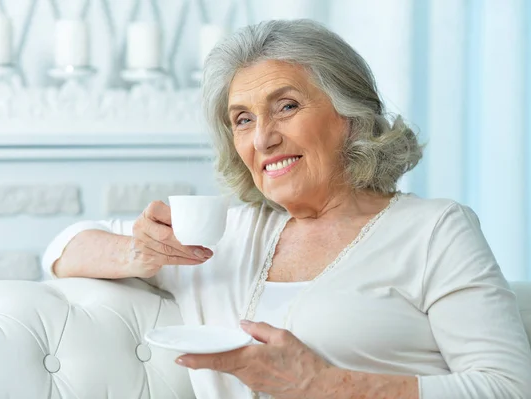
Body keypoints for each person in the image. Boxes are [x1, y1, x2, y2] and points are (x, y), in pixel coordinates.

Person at [42, 19, 531, 399]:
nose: (263, 137)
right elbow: (62, 248)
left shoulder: (435, 229)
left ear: (349, 117)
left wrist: (327, 385)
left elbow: (508, 387)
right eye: (243, 119)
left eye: (287, 106)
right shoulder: (221, 239)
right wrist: (138, 253)